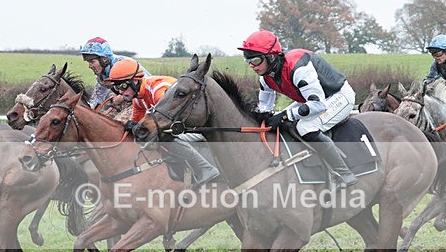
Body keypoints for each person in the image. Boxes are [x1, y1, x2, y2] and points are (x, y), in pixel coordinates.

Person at [238, 29, 358, 187]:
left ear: (271, 56)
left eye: (256, 60)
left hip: (338, 96)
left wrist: (285, 115)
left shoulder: (298, 68)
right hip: (310, 99)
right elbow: (264, 110)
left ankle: (343, 173)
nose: (252, 66)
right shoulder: (266, 78)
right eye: (248, 61)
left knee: (305, 126)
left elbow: (318, 104)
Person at [104, 58, 219, 187]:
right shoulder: (138, 99)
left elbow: (169, 122)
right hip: (177, 124)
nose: (120, 92)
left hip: (194, 125)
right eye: (116, 87)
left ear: (135, 81)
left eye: (122, 86)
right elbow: (135, 124)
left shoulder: (158, 91)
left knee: (164, 138)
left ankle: (205, 168)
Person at [78, 37, 149, 118]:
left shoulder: (123, 65)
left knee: (118, 123)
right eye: (88, 62)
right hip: (128, 101)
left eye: (92, 62)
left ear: (104, 59)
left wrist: (122, 97)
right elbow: (98, 96)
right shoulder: (101, 72)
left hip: (143, 102)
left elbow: (143, 88)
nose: (90, 66)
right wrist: (88, 109)